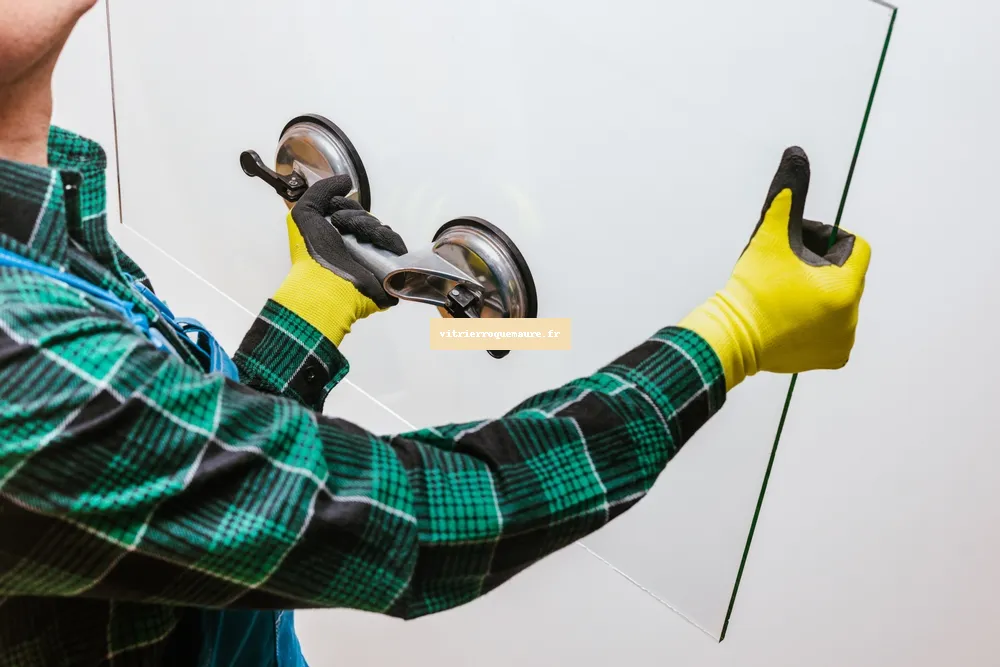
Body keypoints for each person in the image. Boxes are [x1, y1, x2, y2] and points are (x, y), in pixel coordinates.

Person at [0, 2, 872, 666]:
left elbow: (183, 484)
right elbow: (414, 520)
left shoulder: (38, 197)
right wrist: (735, 331)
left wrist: (314, 307)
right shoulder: (17, 365)